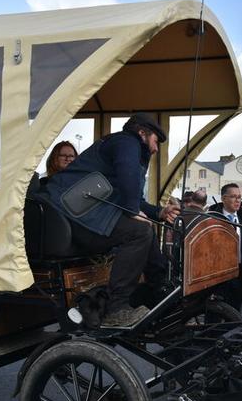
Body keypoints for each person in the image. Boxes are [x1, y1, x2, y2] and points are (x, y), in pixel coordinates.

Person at [43, 113, 179, 327]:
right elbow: (128, 181)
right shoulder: (127, 142)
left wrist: (158, 212)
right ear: (142, 133)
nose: (155, 149)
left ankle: (159, 290)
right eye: (155, 142)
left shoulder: (124, 147)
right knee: (140, 232)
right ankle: (117, 308)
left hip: (83, 214)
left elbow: (127, 195)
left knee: (145, 227)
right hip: (70, 214)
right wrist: (132, 209)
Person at [208, 183, 242, 313]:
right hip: (217, 276)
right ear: (224, 198)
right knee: (215, 314)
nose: (237, 200)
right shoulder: (212, 218)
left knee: (234, 314)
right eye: (233, 197)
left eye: (239, 197)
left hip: (239, 274)